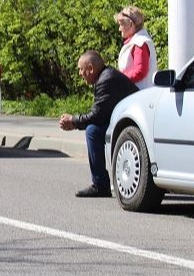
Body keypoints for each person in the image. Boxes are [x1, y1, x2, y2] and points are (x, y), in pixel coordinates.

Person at [58, 50, 139, 198]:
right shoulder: (105, 76)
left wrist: (74, 121)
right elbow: (100, 113)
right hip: (125, 122)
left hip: (133, 127)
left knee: (93, 131)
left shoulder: (106, 80)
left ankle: (100, 185)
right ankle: (100, 183)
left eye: (81, 69)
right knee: (93, 129)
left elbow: (97, 115)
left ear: (90, 68)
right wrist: (75, 121)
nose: (80, 73)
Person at [114, 5, 157, 91]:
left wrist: (119, 79)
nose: (119, 29)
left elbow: (140, 71)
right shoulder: (138, 41)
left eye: (121, 24)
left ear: (130, 24)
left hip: (140, 95)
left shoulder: (140, 43)